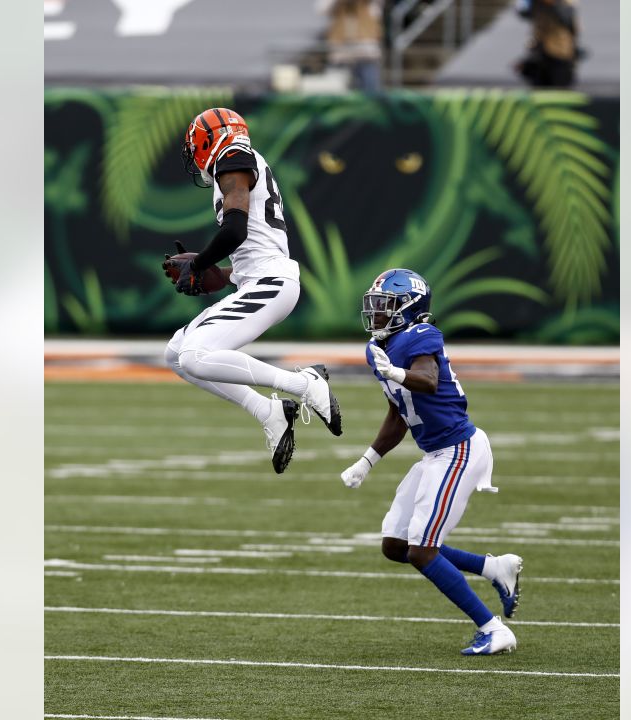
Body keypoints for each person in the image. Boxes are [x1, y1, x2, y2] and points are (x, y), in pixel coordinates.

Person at [339, 268, 523, 655]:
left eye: (385, 306)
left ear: (408, 308)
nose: (375, 314)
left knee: (422, 550)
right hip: (434, 454)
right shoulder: (381, 350)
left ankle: (493, 629)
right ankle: (493, 568)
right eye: (374, 306)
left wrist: (397, 372)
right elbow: (399, 413)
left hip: (459, 450)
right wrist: (367, 461)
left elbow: (426, 379)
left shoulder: (421, 335)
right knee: (396, 545)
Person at [162, 108, 343, 474]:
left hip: (272, 282)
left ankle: (305, 383)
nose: (193, 152)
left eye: (196, 144)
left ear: (212, 139)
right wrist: (218, 274)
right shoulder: (240, 162)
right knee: (176, 353)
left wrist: (198, 264)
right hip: (263, 279)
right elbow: (252, 249)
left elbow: (234, 232)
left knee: (196, 355)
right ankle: (269, 412)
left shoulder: (232, 157)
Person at [318, 0, 383, 92]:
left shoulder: (371, 4)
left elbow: (377, 10)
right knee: (337, 93)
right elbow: (322, 10)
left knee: (371, 95)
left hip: (366, 53)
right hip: (341, 53)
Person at [514, 0, 579, 88]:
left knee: (559, 88)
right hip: (539, 51)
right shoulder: (535, 4)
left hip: (560, 53)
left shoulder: (565, 3)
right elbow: (523, 12)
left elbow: (568, 18)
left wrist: (554, 3)